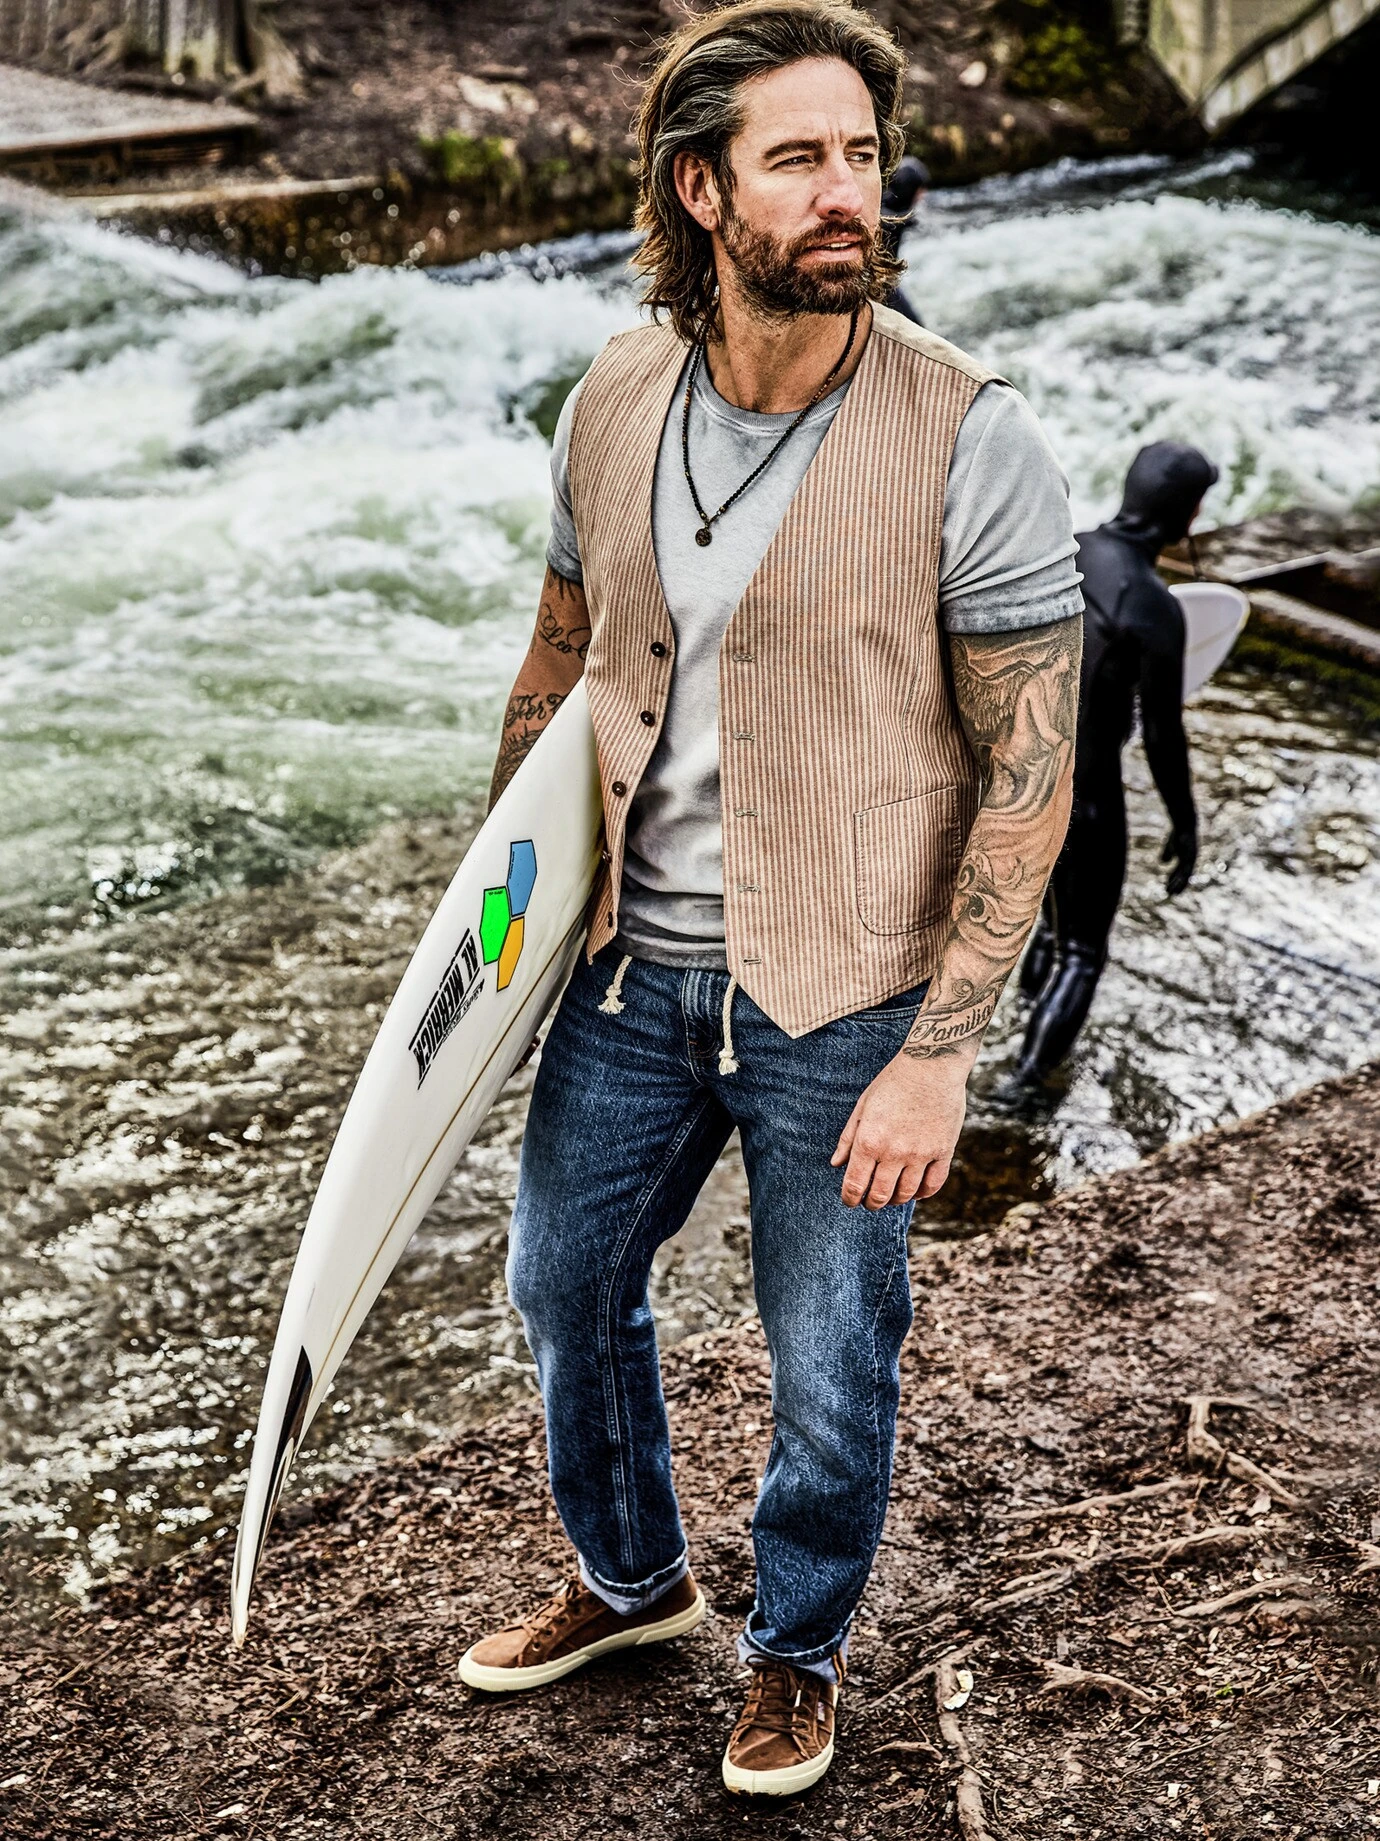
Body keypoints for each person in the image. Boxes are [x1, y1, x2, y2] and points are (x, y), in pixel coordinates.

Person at [459, 0, 1083, 1797]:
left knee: (829, 1362)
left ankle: (794, 1650)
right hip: (626, 966)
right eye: (797, 157)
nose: (844, 192)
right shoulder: (612, 397)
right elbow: (562, 658)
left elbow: (1030, 769)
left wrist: (940, 1058)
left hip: (848, 994)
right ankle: (632, 1581)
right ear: (701, 189)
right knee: (563, 1288)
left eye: (862, 155)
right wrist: (499, 931)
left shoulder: (971, 434)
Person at [1012, 440, 1219, 1087]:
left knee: (1049, 926)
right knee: (1081, 952)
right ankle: (1019, 1090)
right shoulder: (1152, 607)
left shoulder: (1062, 549)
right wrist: (1185, 825)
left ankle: (1018, 1024)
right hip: (1086, 796)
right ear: (1188, 514)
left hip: (1020, 776)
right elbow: (1162, 736)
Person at [877, 151, 928, 323]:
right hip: (881, 285)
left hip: (886, 282)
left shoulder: (888, 205)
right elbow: (893, 220)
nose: (923, 195)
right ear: (910, 188)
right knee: (917, 327)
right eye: (920, 189)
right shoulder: (891, 217)